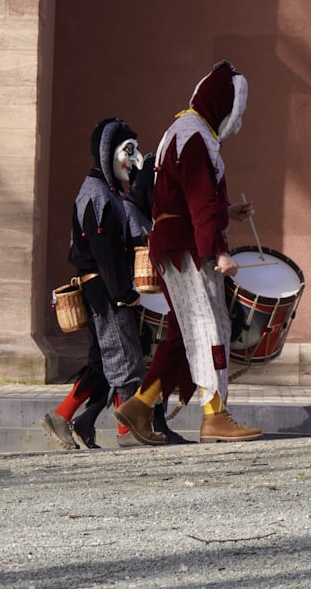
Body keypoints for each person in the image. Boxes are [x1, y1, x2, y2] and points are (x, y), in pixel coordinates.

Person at [115, 60, 262, 444]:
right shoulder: (195, 136)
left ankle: (141, 405)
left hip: (175, 241)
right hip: (187, 248)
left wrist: (227, 214)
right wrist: (217, 252)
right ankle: (215, 415)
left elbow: (176, 198)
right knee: (210, 325)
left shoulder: (181, 130)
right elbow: (197, 197)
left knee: (185, 331)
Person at [42, 117, 156, 450]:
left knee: (103, 361)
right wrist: (123, 293)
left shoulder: (104, 192)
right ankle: (127, 433)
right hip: (104, 288)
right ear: (109, 153)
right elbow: (105, 252)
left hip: (102, 286)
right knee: (124, 356)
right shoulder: (98, 196)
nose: (133, 160)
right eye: (128, 150)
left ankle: (65, 417)